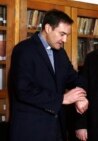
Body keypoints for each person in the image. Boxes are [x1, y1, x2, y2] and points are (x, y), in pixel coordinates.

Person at [8, 9, 88, 141]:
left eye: (67, 35)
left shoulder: (60, 53)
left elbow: (75, 79)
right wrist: (62, 99)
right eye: (62, 34)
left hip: (57, 130)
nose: (65, 40)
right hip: (30, 132)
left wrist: (80, 97)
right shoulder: (24, 50)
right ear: (48, 28)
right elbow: (23, 90)